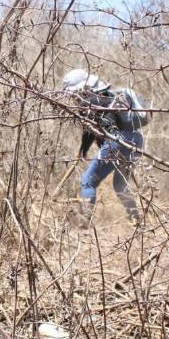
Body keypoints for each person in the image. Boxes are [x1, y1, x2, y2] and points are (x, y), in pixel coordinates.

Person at [61, 68, 149, 224]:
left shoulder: (92, 100)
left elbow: (90, 130)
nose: (73, 98)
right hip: (136, 140)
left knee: (88, 181)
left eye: (73, 94)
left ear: (82, 88)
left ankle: (84, 222)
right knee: (120, 185)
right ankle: (136, 220)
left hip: (116, 141)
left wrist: (83, 151)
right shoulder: (111, 95)